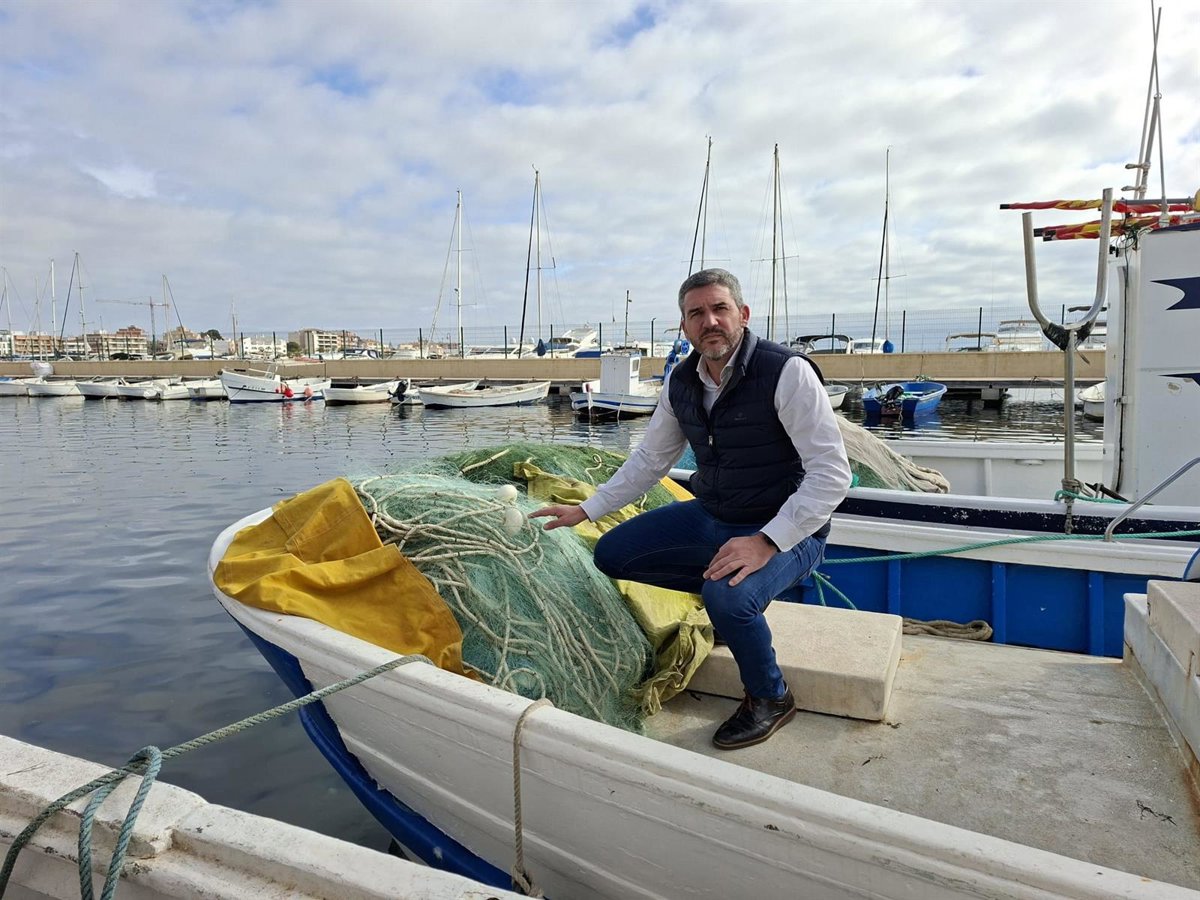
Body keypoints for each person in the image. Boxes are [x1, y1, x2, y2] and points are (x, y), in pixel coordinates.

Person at [531, 268, 852, 749]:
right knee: (613, 554)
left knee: (727, 598)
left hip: (789, 531)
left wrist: (766, 541)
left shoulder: (786, 372)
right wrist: (587, 509)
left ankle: (771, 697)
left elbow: (831, 474)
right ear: (684, 326)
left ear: (743, 314)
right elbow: (650, 460)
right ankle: (730, 613)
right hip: (716, 515)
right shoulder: (680, 382)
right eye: (696, 313)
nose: (710, 321)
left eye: (720, 308)